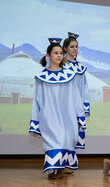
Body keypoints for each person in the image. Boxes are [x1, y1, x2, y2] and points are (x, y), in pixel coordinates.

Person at [29, 38, 85, 179]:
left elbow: (76, 97)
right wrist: (35, 121)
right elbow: (37, 100)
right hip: (49, 116)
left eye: (61, 53)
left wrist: (80, 116)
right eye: (55, 53)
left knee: (65, 140)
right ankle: (52, 168)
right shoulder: (41, 77)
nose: (59, 55)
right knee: (54, 140)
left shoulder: (69, 75)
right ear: (48, 55)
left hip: (67, 116)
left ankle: (59, 168)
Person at [63, 32, 90, 149]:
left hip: (77, 108)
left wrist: (83, 109)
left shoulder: (81, 68)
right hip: (63, 106)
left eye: (76, 47)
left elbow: (84, 89)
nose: (75, 49)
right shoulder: (60, 66)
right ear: (65, 48)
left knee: (72, 139)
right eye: (72, 47)